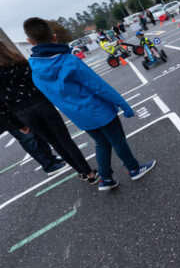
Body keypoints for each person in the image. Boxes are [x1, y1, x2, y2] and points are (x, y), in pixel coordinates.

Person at [24, 17, 156, 191]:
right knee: (118, 141)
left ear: (29, 42)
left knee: (101, 143)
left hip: (79, 117)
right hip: (100, 111)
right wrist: (121, 103)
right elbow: (98, 86)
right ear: (54, 37)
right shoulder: (69, 61)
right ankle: (134, 168)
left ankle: (106, 179)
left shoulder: (35, 73)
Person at [0, 41, 99, 183]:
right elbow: (40, 83)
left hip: (22, 113)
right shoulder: (21, 63)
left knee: (55, 142)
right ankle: (89, 173)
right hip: (41, 103)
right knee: (65, 140)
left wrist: (18, 124)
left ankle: (81, 172)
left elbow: (2, 107)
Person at [1, 114, 67, 176]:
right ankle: (49, 165)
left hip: (12, 111)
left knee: (36, 134)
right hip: (6, 117)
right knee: (28, 138)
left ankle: (51, 159)